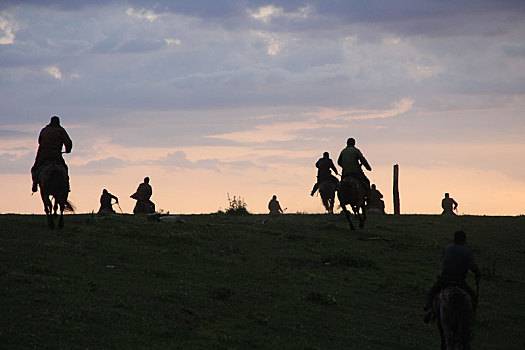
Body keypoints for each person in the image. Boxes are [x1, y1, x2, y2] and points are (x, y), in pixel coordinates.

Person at [424, 230, 481, 323]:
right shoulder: (467, 251)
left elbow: (444, 261)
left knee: (431, 293)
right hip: (459, 281)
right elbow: (473, 266)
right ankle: (471, 317)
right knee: (473, 297)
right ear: (464, 240)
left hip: (444, 279)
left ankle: (430, 311)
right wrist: (478, 273)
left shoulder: (447, 248)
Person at [31, 116, 73, 192]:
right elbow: (68, 142)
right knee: (65, 168)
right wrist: (68, 150)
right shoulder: (61, 130)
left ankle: (35, 184)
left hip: (42, 155)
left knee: (35, 169)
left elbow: (40, 141)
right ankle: (67, 186)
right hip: (56, 155)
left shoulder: (44, 130)